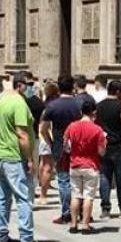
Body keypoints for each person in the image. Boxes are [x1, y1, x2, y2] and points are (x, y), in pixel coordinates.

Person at [0, 73, 38, 242]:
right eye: (29, 84)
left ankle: (0, 235)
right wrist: (29, 158)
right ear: (21, 85)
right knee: (23, 197)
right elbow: (22, 134)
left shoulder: (2, 102)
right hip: (14, 157)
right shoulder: (19, 103)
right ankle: (26, 237)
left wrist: (1, 138)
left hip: (0, 155)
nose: (31, 87)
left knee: (2, 197)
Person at [40, 76, 83, 225]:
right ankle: (81, 212)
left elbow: (43, 128)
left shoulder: (52, 106)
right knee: (79, 181)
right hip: (79, 146)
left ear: (59, 88)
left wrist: (51, 143)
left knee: (64, 181)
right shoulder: (79, 104)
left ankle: (66, 213)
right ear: (73, 87)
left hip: (60, 147)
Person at [65, 97, 107, 234]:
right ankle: (85, 224)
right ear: (93, 113)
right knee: (88, 196)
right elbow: (101, 152)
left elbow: (66, 147)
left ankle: (73, 224)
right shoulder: (97, 130)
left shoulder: (72, 126)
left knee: (75, 194)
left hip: (75, 164)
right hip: (91, 165)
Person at [96, 80, 121, 219]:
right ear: (118, 92)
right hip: (120, 146)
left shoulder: (99, 106)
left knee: (105, 177)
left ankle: (105, 209)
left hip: (103, 145)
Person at [37, 80, 59, 205]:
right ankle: (43, 194)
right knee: (48, 167)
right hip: (49, 138)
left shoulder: (44, 105)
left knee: (43, 164)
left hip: (44, 138)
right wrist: (50, 141)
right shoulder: (53, 106)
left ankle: (42, 187)